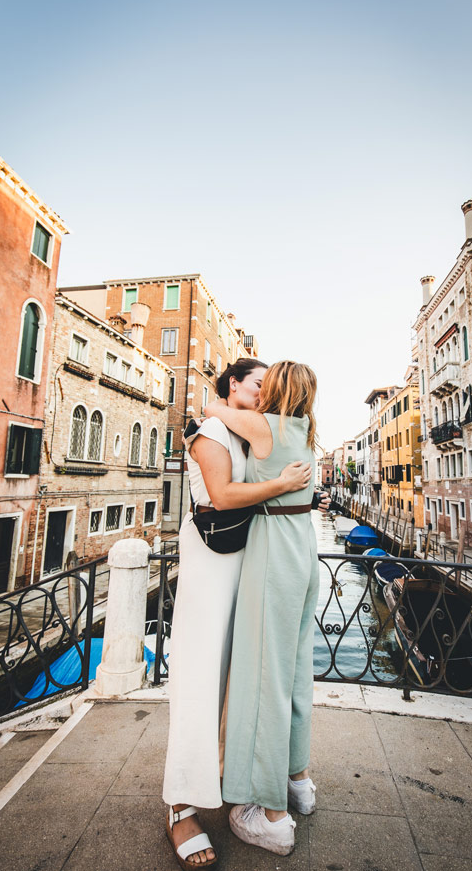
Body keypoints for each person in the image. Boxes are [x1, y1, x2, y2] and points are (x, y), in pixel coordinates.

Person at [163, 357, 313, 870]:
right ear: (234, 386)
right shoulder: (210, 429)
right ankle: (180, 806)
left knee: (236, 682)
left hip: (245, 568)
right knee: (200, 680)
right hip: (210, 567)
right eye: (257, 384)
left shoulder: (250, 431)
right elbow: (224, 496)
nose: (265, 393)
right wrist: (283, 484)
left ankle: (228, 777)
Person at [204, 360, 319, 857]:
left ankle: (272, 814)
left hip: (273, 550)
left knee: (266, 677)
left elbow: (210, 407)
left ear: (275, 389)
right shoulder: (306, 428)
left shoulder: (263, 425)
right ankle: (299, 780)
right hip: (304, 551)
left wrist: (227, 399)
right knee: (295, 672)